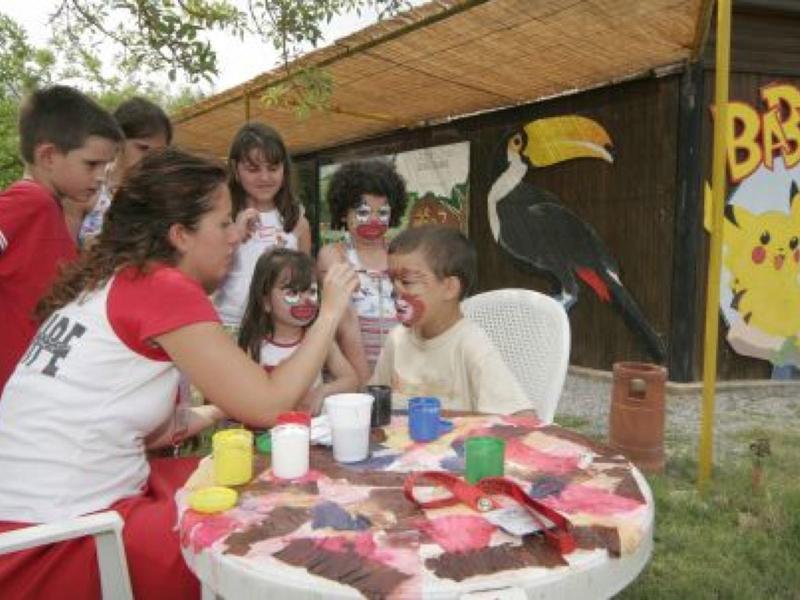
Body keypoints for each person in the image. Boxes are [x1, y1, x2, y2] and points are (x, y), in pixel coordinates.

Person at [0, 148, 358, 600]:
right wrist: (328, 314)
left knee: (237, 473)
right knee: (273, 520)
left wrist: (208, 413)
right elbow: (271, 404)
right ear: (180, 235)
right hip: (61, 544)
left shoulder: (110, 281)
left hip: (35, 521)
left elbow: (118, 424)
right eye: (224, 223)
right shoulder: (161, 287)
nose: (236, 237)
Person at [0, 85, 121, 394]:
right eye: (91, 164)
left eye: (106, 166)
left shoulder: (49, 208)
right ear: (49, 156)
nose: (100, 177)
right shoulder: (30, 201)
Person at [370, 224, 531, 414]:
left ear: (450, 288)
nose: (396, 290)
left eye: (407, 282)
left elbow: (521, 417)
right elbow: (374, 401)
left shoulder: (472, 345)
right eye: (392, 281)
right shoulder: (396, 339)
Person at [317, 159, 407, 385]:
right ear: (343, 213)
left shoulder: (402, 254)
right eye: (363, 212)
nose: (374, 220)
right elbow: (345, 322)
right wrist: (367, 384)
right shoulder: (333, 255)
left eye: (383, 212)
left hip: (399, 371)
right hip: (352, 373)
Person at [214, 122, 311, 331]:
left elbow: (306, 282)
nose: (265, 177)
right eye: (253, 169)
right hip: (230, 325)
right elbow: (207, 277)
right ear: (235, 169)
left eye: (273, 168)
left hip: (280, 328)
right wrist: (235, 236)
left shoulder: (297, 220)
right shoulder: (222, 215)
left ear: (284, 169)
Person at [239, 248, 358, 416]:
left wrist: (322, 391)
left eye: (312, 291)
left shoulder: (319, 339)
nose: (306, 301)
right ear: (265, 301)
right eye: (293, 293)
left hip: (313, 430)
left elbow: (351, 380)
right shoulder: (255, 345)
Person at [78, 96, 172, 246]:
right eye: (143, 148)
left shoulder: (164, 201)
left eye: (159, 152)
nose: (151, 159)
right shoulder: (88, 187)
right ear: (118, 142)